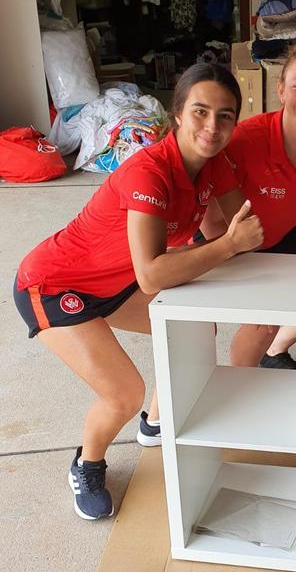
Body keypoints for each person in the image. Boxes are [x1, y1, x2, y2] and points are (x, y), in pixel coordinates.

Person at [13, 63, 264, 520]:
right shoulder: (148, 173)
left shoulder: (215, 165)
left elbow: (240, 223)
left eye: (225, 116)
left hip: (115, 285)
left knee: (195, 326)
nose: (212, 126)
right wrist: (227, 246)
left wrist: (233, 240)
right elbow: (154, 273)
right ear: (178, 114)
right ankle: (87, 464)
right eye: (201, 112)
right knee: (123, 392)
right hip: (53, 285)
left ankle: (153, 423)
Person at [200, 40, 296, 369]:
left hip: (277, 230)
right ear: (281, 90)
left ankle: (274, 353)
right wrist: (235, 258)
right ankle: (242, 381)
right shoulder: (246, 140)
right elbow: (210, 216)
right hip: (232, 235)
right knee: (262, 322)